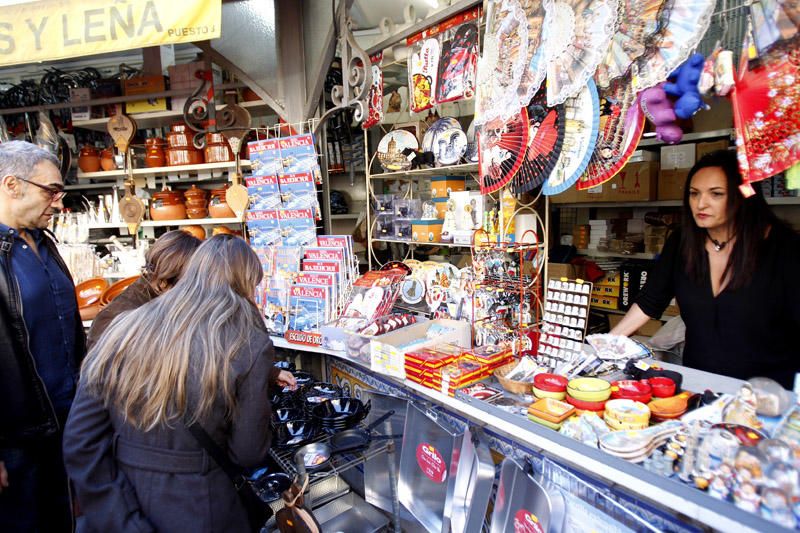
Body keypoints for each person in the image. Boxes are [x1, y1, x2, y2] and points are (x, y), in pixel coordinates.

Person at [64, 235, 296, 532]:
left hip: (125, 497)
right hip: (203, 506)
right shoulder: (247, 344)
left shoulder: (123, 327)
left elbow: (80, 440)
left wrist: (121, 518)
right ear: (244, 285)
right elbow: (247, 452)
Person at [611, 150, 800, 387]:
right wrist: (609, 342)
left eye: (716, 194)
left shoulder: (784, 248)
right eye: (694, 193)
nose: (701, 204)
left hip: (768, 396)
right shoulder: (682, 242)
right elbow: (651, 299)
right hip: (699, 386)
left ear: (743, 196)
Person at [0, 140, 85, 532]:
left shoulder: (44, 244)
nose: (58, 202)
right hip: (17, 435)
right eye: (51, 190)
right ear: (11, 185)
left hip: (65, 419)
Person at [87, 230, 202, 348]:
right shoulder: (124, 317)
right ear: (166, 280)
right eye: (191, 282)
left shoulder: (155, 297)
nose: (195, 289)